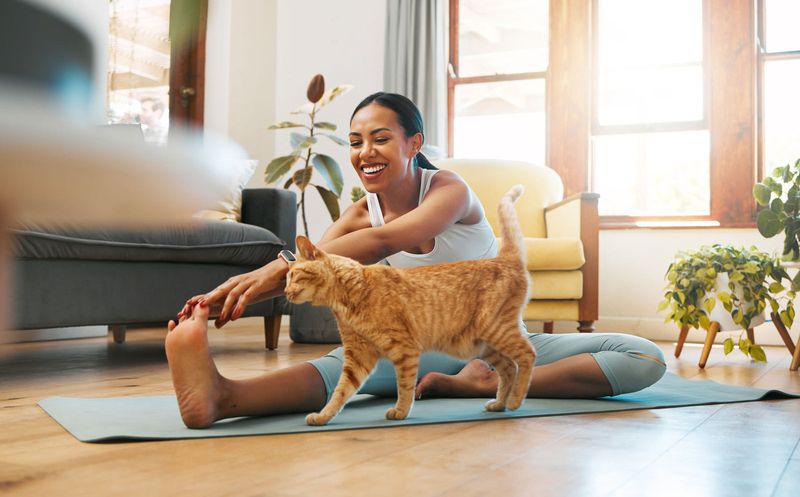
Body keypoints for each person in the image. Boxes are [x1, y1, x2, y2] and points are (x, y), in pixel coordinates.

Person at [166, 92, 667, 429]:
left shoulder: (450, 190)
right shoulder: (359, 212)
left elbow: (388, 242)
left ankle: (482, 382)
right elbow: (312, 270)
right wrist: (229, 294)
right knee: (347, 364)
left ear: (413, 144)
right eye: (356, 142)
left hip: (496, 340)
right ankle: (222, 396)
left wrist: (273, 267)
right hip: (412, 344)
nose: (365, 152)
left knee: (644, 357)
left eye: (380, 138)